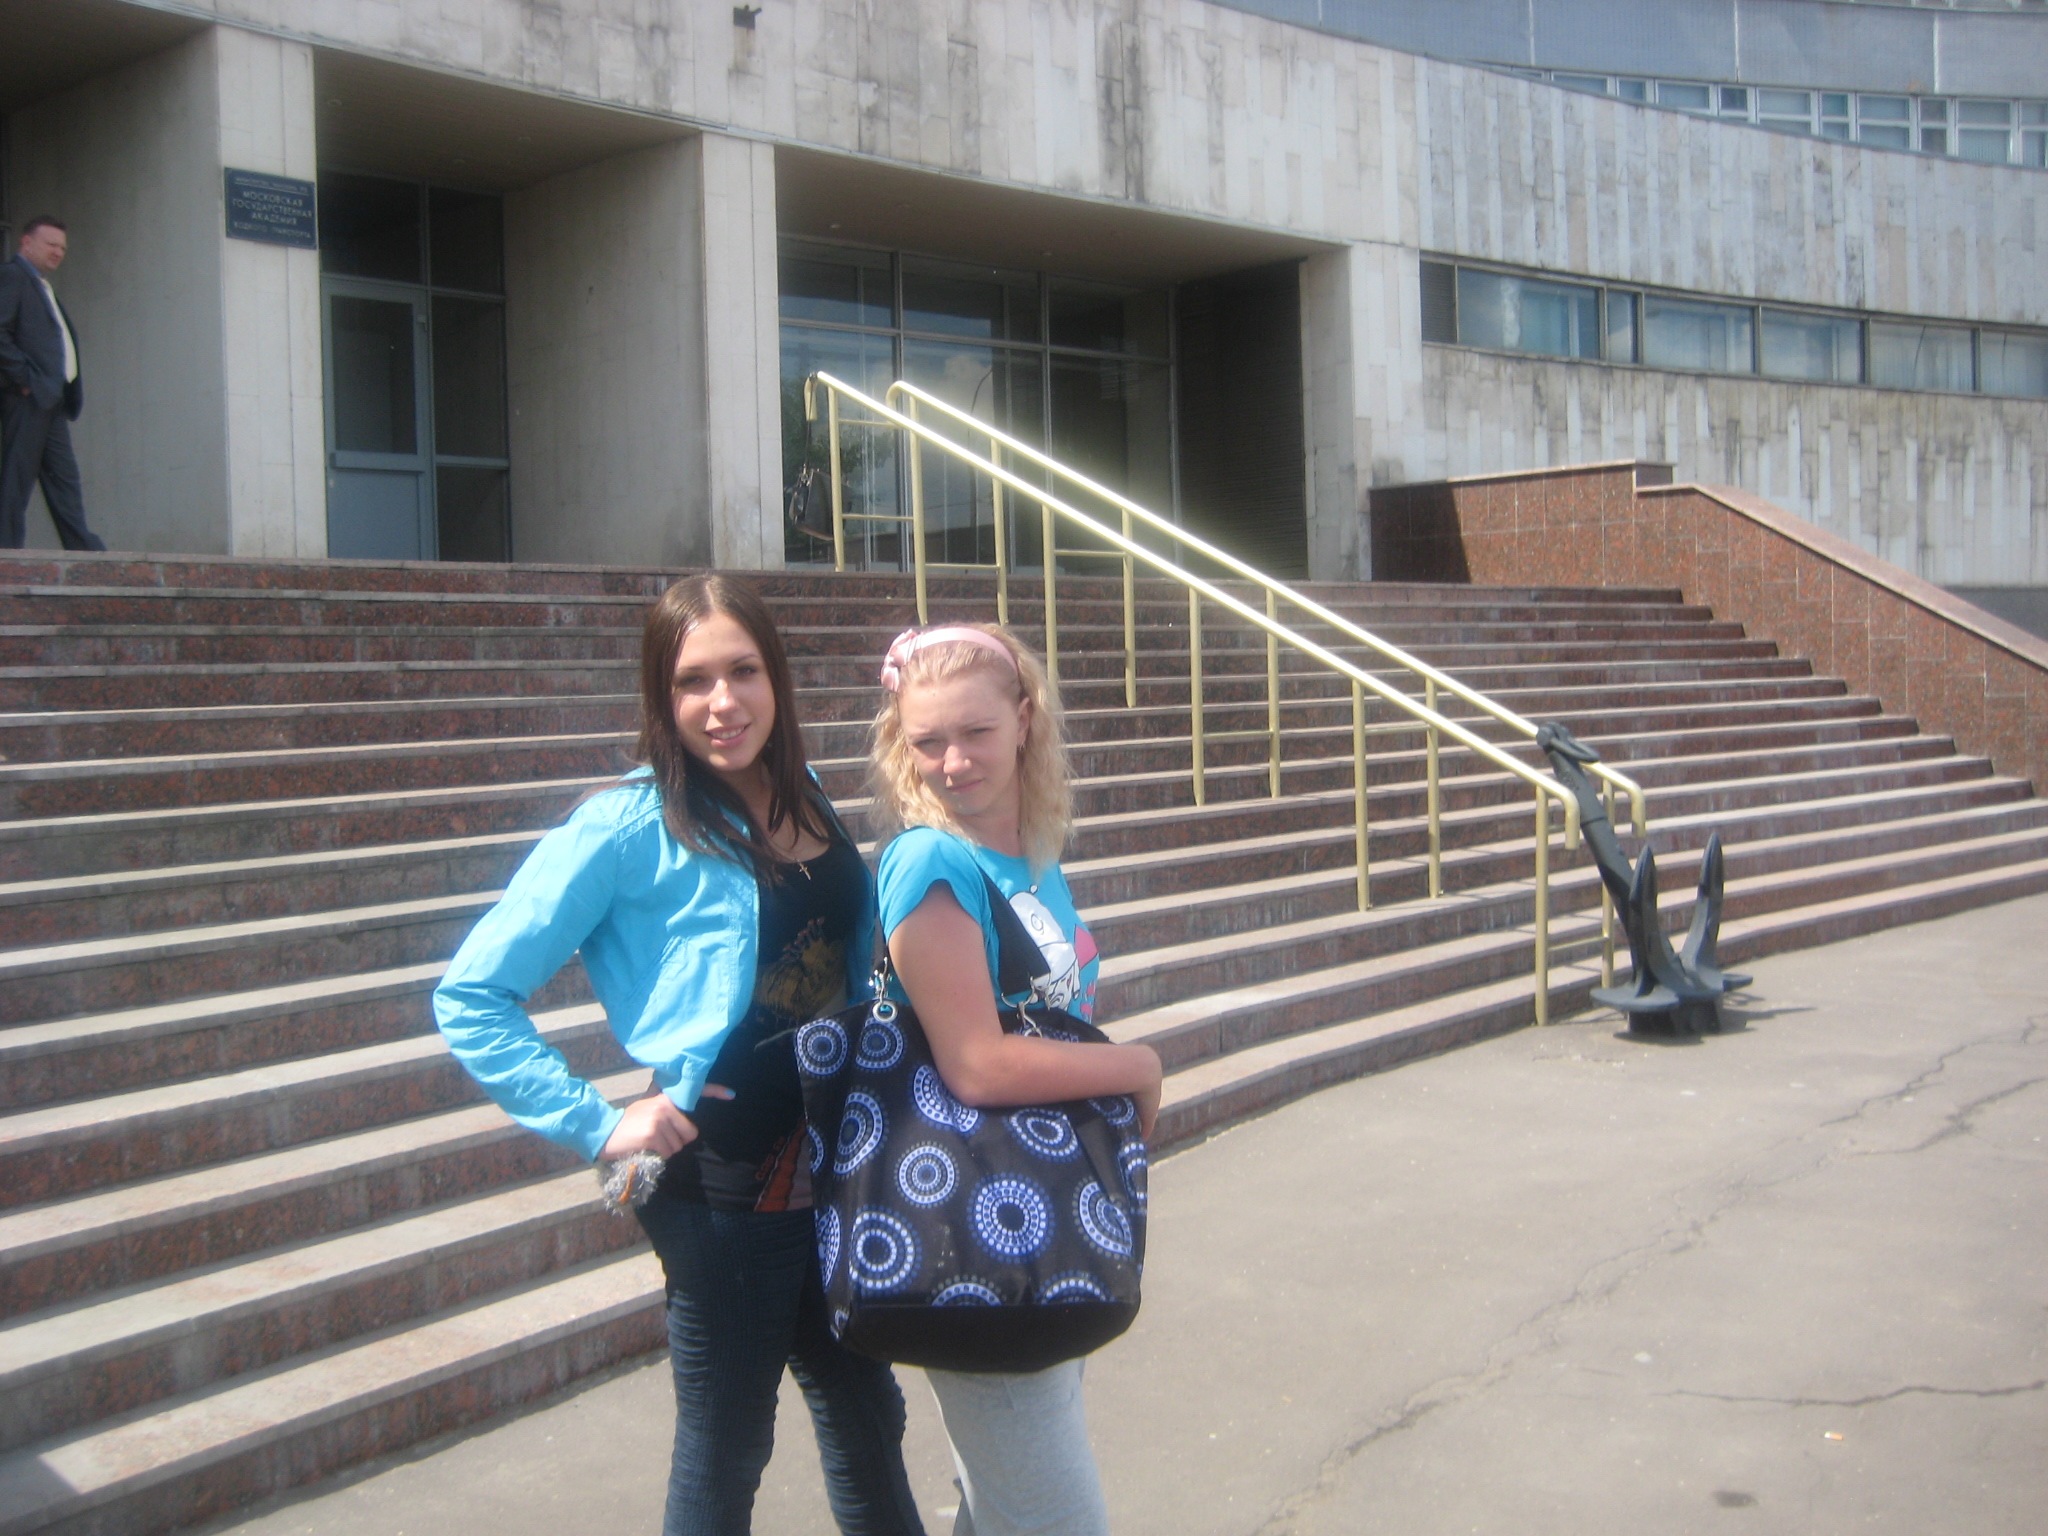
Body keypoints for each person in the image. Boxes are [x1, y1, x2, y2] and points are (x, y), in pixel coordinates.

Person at [434, 574, 926, 1536]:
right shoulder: (625, 826)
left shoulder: (804, 794)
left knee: (869, 1414)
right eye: (692, 680)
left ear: (776, 679)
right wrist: (598, 1123)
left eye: (743, 672)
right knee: (727, 1451)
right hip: (725, 1190)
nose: (722, 702)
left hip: (837, 1165)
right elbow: (471, 994)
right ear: (661, 697)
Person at [867, 623, 1164, 1536]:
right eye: (927, 741)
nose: (953, 762)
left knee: (998, 1508)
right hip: (978, 1232)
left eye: (976, 733)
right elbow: (977, 1061)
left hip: (1047, 1213)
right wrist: (1138, 1068)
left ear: (1025, 719)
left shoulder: (1029, 850)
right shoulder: (932, 861)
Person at [0, 216, 106, 551]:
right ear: (26, 242)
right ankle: (5, 550)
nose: (58, 252)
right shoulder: (13, 276)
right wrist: (25, 379)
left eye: (62, 247)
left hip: (51, 399)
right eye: (51, 244)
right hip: (29, 397)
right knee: (16, 478)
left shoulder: (41, 285)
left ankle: (84, 550)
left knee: (64, 479)